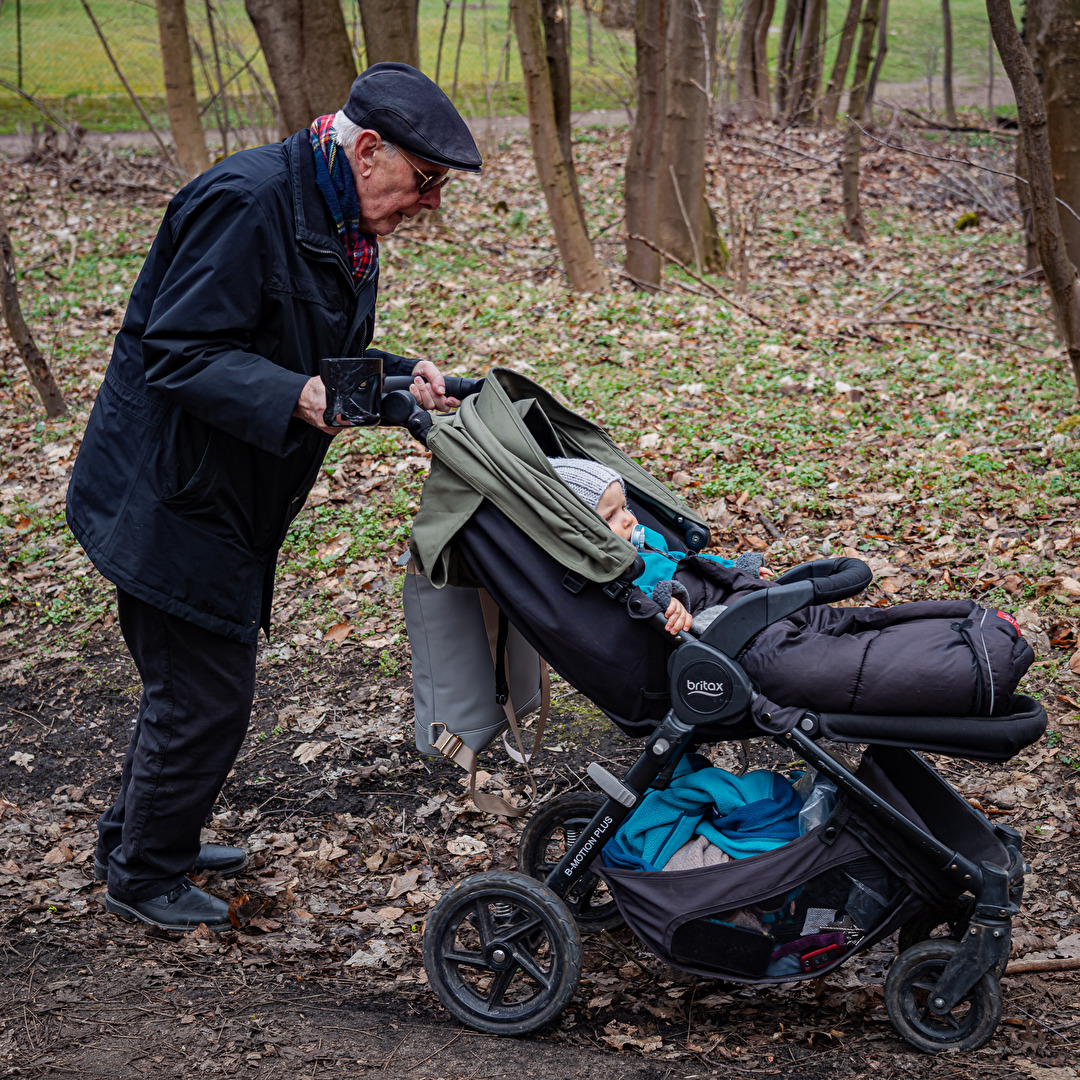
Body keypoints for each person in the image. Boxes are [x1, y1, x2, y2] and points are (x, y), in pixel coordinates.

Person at [65, 63, 482, 932]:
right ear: (369, 150)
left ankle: (142, 836)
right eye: (426, 181)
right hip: (169, 492)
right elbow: (177, 351)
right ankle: (144, 873)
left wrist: (403, 377)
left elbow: (304, 343)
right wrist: (295, 397)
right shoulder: (248, 202)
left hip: (230, 490)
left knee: (186, 685)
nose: (429, 204)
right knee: (205, 694)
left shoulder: (334, 213)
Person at [547, 457, 767, 635]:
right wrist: (665, 602)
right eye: (610, 516)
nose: (627, 519)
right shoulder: (613, 573)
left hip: (714, 591)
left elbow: (685, 561)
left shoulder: (646, 541)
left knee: (772, 601)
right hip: (700, 612)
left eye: (625, 507)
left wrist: (735, 568)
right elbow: (635, 600)